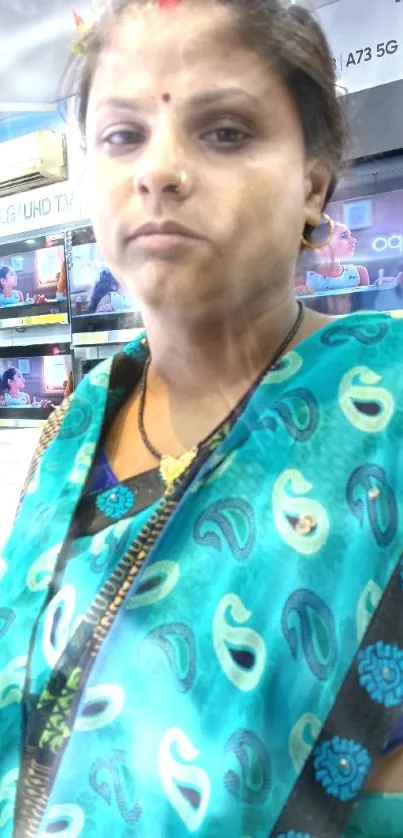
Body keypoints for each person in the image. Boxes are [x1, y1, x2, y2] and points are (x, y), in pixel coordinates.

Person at [2, 2, 403, 837]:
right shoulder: (77, 425)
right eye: (121, 136)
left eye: (223, 131)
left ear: (312, 188)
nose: (161, 170)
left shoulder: (384, 399)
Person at [303, 221, 370, 293]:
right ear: (321, 244)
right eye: (344, 236)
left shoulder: (359, 273)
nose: (354, 240)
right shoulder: (304, 279)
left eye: (350, 236)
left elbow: (367, 302)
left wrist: (379, 289)